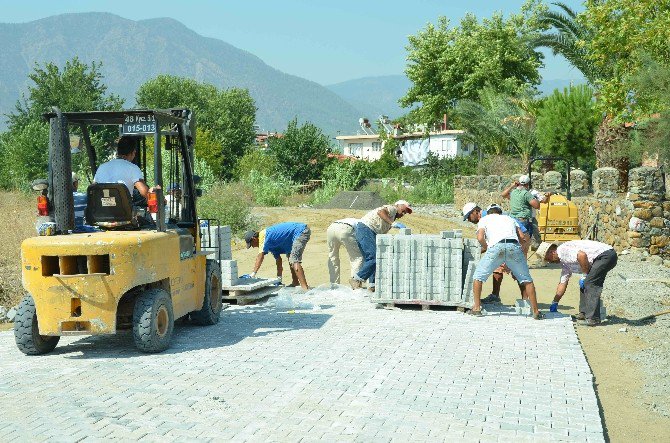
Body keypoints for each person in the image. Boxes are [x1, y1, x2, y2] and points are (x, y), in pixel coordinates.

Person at [470, 210, 544, 319]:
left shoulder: (484, 219)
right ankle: (536, 312)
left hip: (496, 246)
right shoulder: (509, 218)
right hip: (513, 246)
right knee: (527, 280)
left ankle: (476, 308)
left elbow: (480, 237)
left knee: (478, 277)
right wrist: (516, 257)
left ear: (489, 213)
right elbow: (523, 237)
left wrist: (487, 247)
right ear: (500, 212)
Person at [537, 240, 618, 326]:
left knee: (590, 283)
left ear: (551, 252)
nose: (549, 262)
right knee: (585, 283)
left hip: (605, 255)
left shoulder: (563, 251)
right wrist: (555, 302)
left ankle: (593, 318)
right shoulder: (564, 263)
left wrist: (584, 275)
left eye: (547, 259)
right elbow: (563, 283)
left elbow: (582, 255)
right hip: (603, 256)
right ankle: (584, 313)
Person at [462, 202, 530, 303]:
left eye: (468, 217)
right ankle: (495, 295)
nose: (469, 220)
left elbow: (523, 236)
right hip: (508, 243)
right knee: (498, 268)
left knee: (518, 272)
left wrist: (508, 256)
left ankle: (525, 300)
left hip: (520, 241)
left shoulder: (488, 217)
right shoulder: (488, 216)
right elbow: (491, 243)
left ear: (475, 211)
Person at [350, 200, 413, 291]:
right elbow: (380, 212)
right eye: (404, 209)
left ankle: (372, 285)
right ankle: (356, 279)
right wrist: (393, 223)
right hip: (366, 229)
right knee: (374, 257)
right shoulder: (392, 209)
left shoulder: (392, 217)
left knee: (373, 259)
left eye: (406, 212)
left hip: (369, 232)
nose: (404, 212)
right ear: (398, 205)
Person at [245, 222, 311, 290]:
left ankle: (305, 289)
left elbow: (260, 256)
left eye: (251, 244)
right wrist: (279, 279)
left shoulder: (263, 237)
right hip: (293, 237)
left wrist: (253, 273)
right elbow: (278, 260)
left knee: (294, 260)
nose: (253, 247)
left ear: (254, 239)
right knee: (290, 258)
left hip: (300, 231)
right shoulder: (270, 244)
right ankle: (295, 283)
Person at [501, 175, 544, 249]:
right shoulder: (526, 193)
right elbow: (536, 205)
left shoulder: (513, 192)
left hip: (514, 219)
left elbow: (503, 194)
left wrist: (512, 186)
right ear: (528, 184)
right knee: (524, 242)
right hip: (524, 220)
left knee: (517, 241)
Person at [326, 218, 363, 285]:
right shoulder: (366, 225)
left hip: (331, 227)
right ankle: (355, 285)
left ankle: (334, 285)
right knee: (357, 258)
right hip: (346, 228)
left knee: (332, 256)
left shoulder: (358, 220)